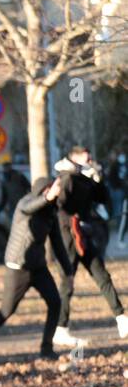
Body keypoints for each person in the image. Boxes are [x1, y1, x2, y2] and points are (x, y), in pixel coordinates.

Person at [0, 177, 73, 359]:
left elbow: (58, 244)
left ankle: (46, 348)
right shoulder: (25, 203)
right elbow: (30, 207)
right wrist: (47, 197)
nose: (56, 195)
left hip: (38, 266)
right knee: (7, 310)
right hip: (18, 266)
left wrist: (68, 272)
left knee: (55, 303)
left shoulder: (50, 212)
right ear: (44, 190)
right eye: (52, 191)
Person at [50, 146, 128, 344]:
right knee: (67, 281)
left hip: (82, 235)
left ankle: (121, 318)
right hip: (68, 235)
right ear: (75, 157)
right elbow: (61, 205)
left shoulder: (85, 177)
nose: (90, 158)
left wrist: (98, 178)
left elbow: (102, 197)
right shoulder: (66, 177)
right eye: (86, 156)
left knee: (101, 274)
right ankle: (60, 327)